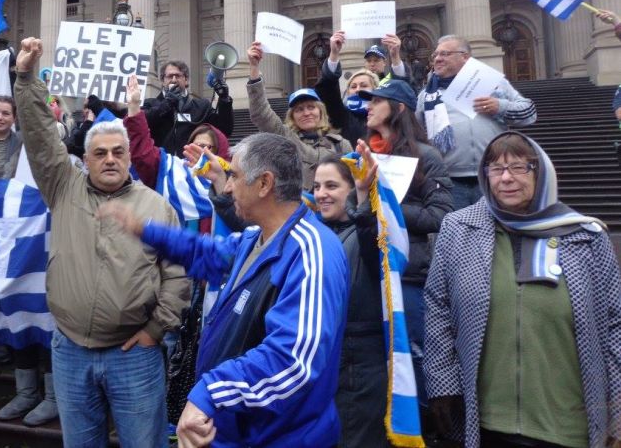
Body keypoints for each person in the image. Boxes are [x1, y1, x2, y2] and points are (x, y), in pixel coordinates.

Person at [99, 132, 350, 447]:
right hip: (242, 433)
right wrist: (145, 229)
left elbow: (293, 363)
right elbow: (204, 253)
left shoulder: (313, 252)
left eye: (234, 176)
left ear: (264, 184)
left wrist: (211, 392)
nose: (227, 186)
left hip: (281, 437)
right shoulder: (255, 238)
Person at [12, 37, 190, 448]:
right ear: (85, 159)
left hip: (135, 355)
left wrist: (155, 330)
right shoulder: (63, 187)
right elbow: (40, 139)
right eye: (99, 153)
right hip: (70, 350)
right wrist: (25, 78)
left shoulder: (157, 207)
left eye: (117, 152)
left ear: (129, 158)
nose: (109, 159)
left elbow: (178, 276)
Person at [424, 131, 621, 448]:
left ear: (540, 171)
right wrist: (442, 382)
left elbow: (615, 325)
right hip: (488, 421)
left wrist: (618, 413)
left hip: (566, 423)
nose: (506, 178)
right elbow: (438, 307)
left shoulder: (586, 235)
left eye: (519, 167)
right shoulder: (459, 228)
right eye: (496, 168)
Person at [356, 78, 454, 409]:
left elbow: (441, 215)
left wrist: (390, 209)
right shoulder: (362, 155)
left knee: (411, 359)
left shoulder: (426, 156)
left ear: (398, 109)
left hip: (408, 276)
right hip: (367, 271)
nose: (368, 106)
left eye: (376, 101)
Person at [0, 95, 59, 427]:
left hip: (47, 251)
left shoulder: (54, 149)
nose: (1, 117)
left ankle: (52, 397)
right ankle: (26, 392)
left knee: (46, 321)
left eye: (8, 112)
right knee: (18, 315)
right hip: (13, 249)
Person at [313, 152, 388, 448]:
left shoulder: (370, 232)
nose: (321, 194)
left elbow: (373, 241)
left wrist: (361, 196)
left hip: (360, 373)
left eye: (331, 186)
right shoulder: (317, 233)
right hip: (327, 368)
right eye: (317, 186)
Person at [417, 35, 536, 210]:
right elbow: (416, 134)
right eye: (435, 55)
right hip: (449, 181)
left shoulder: (494, 84)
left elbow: (529, 113)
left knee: (496, 233)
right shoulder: (426, 95)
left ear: (465, 57)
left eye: (445, 54)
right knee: (456, 233)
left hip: (493, 177)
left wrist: (500, 107)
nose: (437, 59)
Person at [247, 41, 351, 189]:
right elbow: (261, 113)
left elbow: (353, 182)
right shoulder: (286, 138)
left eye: (311, 107)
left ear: (320, 111)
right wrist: (254, 69)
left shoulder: (341, 145)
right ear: (292, 116)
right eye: (299, 109)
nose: (306, 113)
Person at [142, 60, 234, 157]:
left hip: (191, 165)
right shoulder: (150, 104)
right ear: (162, 81)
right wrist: (167, 103)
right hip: (160, 166)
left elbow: (224, 130)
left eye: (178, 76)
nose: (173, 80)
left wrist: (224, 100)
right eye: (169, 76)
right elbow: (142, 124)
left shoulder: (202, 106)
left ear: (186, 80)